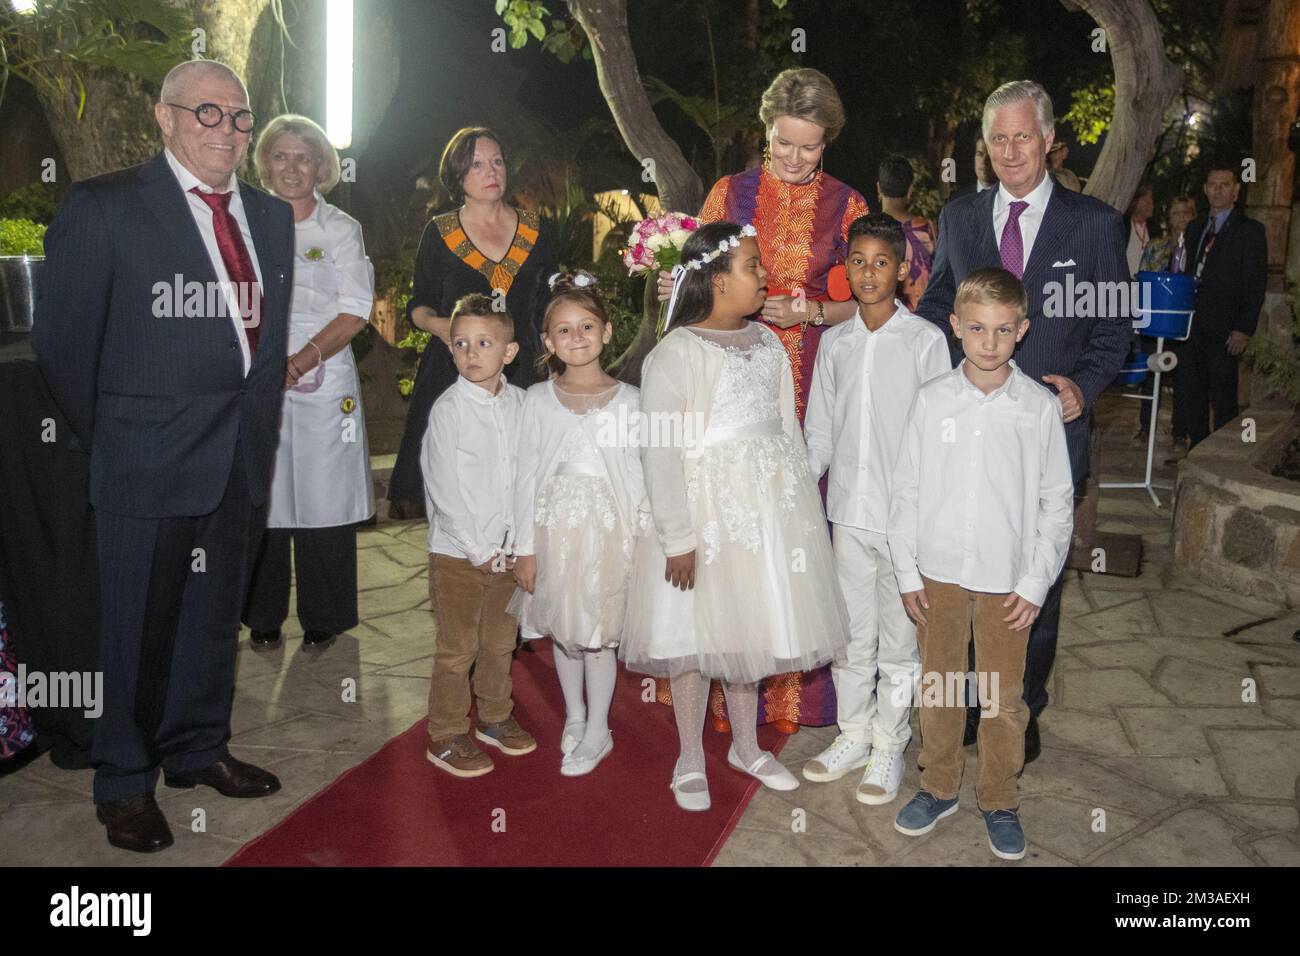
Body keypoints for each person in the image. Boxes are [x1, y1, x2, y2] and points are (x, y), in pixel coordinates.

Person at [33, 59, 292, 852]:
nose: (228, 131)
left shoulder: (271, 217)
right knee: (134, 632)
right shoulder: (105, 207)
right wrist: (117, 436)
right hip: (144, 462)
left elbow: (263, 346)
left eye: (240, 117)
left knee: (213, 622)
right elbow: (64, 348)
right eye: (207, 113)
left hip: (239, 456)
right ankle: (122, 781)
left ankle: (196, 749)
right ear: (165, 117)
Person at [916, 80, 1129, 763]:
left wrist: (1083, 387)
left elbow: (1113, 327)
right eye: (998, 139)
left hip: (1048, 437)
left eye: (1023, 137)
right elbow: (936, 310)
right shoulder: (960, 218)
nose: (1011, 151)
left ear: (1048, 140)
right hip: (965, 435)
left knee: (1030, 583)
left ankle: (1020, 707)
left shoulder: (1095, 224)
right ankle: (974, 705)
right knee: (965, 569)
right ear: (986, 146)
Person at [656, 67, 868, 733]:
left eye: (812, 147)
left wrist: (809, 309)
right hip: (729, 380)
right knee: (730, 529)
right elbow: (704, 279)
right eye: (785, 144)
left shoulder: (849, 204)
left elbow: (874, 298)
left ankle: (799, 697)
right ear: (765, 133)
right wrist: (679, 286)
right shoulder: (731, 192)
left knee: (797, 532)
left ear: (828, 140)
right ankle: (723, 680)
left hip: (812, 383)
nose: (798, 159)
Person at [622, 223, 850, 810]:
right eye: (754, 265)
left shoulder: (768, 343)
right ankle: (690, 756)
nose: (765, 275)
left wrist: (798, 512)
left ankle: (746, 746)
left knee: (748, 627)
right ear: (718, 281)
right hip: (705, 516)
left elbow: (787, 430)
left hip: (765, 513)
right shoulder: (676, 352)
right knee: (696, 638)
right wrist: (676, 537)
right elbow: (660, 451)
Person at [889, 268, 1073, 861]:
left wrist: (1035, 580)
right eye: (976, 329)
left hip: (1007, 581)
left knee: (1000, 698)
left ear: (1021, 330)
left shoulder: (1038, 407)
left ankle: (999, 798)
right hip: (937, 573)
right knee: (939, 687)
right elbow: (906, 490)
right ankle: (938, 787)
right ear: (956, 327)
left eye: (1002, 330)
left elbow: (1055, 502)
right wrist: (906, 571)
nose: (989, 342)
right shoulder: (931, 399)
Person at [801, 215, 950, 803]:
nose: (868, 272)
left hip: (902, 523)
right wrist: (792, 489)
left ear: (904, 269)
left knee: (899, 642)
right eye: (857, 261)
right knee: (851, 636)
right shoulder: (835, 343)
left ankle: (890, 744)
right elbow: (818, 433)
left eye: (881, 261)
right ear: (845, 269)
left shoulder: (925, 343)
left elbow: (940, 437)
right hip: (847, 515)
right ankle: (854, 735)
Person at [242, 114, 375, 651]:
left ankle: (325, 615)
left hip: (325, 367)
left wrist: (297, 361)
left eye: (304, 157)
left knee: (324, 496)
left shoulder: (341, 229)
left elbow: (356, 310)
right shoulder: (243, 221)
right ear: (265, 163)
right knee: (264, 492)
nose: (292, 167)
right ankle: (262, 616)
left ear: (321, 166)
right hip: (255, 372)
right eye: (281, 155)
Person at [509, 273, 645, 777]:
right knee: (564, 632)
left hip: (611, 533)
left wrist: (644, 538)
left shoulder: (631, 400)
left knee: (598, 634)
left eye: (587, 326)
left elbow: (640, 473)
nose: (577, 338)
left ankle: (598, 730)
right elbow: (525, 476)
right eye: (563, 331)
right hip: (555, 533)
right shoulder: (537, 401)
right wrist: (524, 546)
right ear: (547, 342)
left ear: (607, 332)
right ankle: (575, 714)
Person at [387, 127, 557, 519]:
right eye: (477, 164)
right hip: (455, 369)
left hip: (524, 369)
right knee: (460, 490)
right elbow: (419, 304)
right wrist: (442, 326)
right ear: (457, 176)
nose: (491, 170)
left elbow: (551, 299)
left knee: (526, 485)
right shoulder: (440, 232)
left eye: (496, 161)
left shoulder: (536, 229)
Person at [421, 294, 535, 778]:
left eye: (483, 343)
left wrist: (519, 546)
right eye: (460, 343)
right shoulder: (448, 412)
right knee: (457, 649)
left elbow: (529, 477)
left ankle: (494, 716)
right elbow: (445, 490)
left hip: (507, 557)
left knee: (499, 643)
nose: (470, 353)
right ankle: (445, 734)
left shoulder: (522, 404)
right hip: (459, 557)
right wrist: (479, 550)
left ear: (508, 352)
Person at [1175, 165, 1268, 449]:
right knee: (1193, 392)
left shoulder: (1250, 231)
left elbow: (1255, 284)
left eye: (1225, 185)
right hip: (1192, 327)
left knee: (1224, 395)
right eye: (1212, 184)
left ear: (1236, 192)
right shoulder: (1195, 228)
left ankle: (1223, 455)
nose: (1218, 190)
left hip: (1226, 328)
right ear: (1205, 190)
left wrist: (1243, 328)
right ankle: (1197, 449)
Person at [1136, 194, 1197, 445]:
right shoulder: (1155, 246)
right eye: (1176, 213)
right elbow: (1142, 280)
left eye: (1186, 213)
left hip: (1184, 322)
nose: (1181, 217)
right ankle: (1145, 428)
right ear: (1169, 218)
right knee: (1152, 375)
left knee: (1184, 379)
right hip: (1157, 320)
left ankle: (1180, 431)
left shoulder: (1197, 248)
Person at [876, 156, 937, 310]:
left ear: (878, 189)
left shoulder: (867, 232)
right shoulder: (927, 229)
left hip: (882, 320)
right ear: (910, 191)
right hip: (922, 319)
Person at [949, 135, 999, 203]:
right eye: (980, 154)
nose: (984, 161)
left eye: (990, 155)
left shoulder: (1012, 198)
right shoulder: (957, 199)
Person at [1124, 182, 1155, 278]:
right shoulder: (1123, 225)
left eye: (1152, 202)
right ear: (1134, 201)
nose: (1151, 206)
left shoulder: (1154, 229)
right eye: (1147, 202)